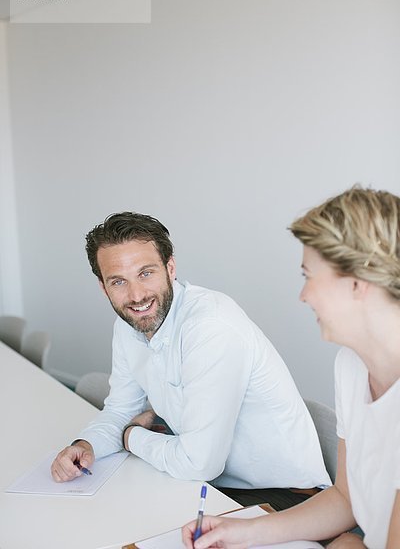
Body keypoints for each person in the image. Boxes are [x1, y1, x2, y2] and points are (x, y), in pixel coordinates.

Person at [51, 211, 330, 510]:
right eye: (118, 282)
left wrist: (132, 436)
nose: (136, 295)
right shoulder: (128, 325)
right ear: (103, 287)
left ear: (170, 268)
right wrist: (85, 445)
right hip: (212, 483)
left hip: (284, 495)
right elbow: (121, 409)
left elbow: (199, 464)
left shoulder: (211, 327)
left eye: (146, 273)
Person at [182, 186, 400, 549]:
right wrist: (242, 531)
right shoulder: (351, 365)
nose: (304, 295)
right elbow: (346, 499)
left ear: (357, 282)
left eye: (308, 275)